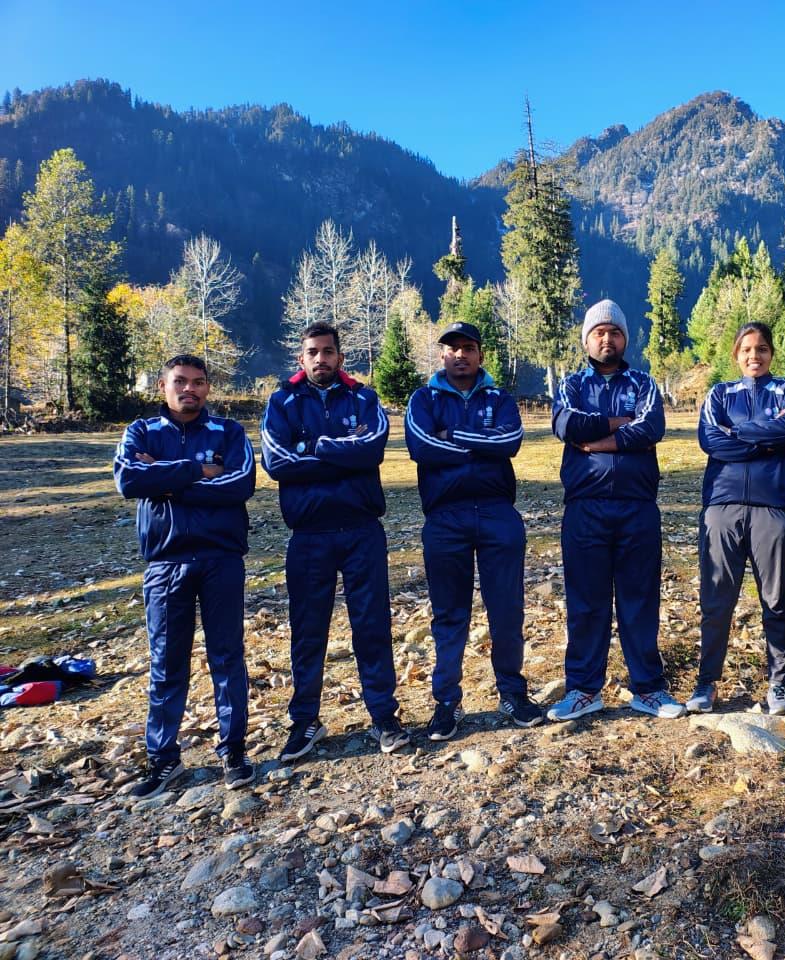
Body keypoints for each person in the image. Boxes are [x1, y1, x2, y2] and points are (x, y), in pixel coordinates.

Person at [260, 322, 407, 760]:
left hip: (362, 530)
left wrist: (312, 448)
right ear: (301, 358)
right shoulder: (282, 402)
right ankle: (305, 721)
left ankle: (383, 716)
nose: (320, 359)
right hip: (309, 535)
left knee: (372, 626)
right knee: (308, 631)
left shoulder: (364, 398)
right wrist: (341, 451)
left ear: (340, 357)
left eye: (328, 351)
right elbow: (276, 461)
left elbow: (372, 449)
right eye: (313, 352)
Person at [113, 355, 256, 798]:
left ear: (208, 388)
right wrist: (198, 470)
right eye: (180, 381)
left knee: (227, 656)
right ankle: (163, 758)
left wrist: (163, 476)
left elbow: (240, 484)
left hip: (220, 558)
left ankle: (234, 751)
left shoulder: (229, 432)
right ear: (163, 386)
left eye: (198, 382)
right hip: (165, 563)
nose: (189, 389)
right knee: (166, 661)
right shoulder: (141, 432)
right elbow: (128, 479)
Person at [545, 299, 683, 722]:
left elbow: (652, 427)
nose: (607, 339)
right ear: (587, 340)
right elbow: (566, 426)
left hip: (637, 507)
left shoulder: (643, 383)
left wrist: (600, 440)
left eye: (615, 332)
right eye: (599, 332)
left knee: (639, 600)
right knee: (586, 602)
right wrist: (620, 423)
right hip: (584, 507)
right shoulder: (570, 385)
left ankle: (648, 689)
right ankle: (584, 690)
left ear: (625, 339)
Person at [404, 321, 541, 740]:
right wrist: (481, 443)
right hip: (445, 517)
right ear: (442, 355)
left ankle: (512, 692)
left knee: (507, 609)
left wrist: (452, 436)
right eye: (452, 348)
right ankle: (447, 702)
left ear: (480, 354)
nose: (460, 354)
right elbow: (421, 446)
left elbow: (510, 441)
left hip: (498, 513)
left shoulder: (500, 398)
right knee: (449, 614)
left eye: (468, 347)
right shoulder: (423, 399)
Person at [688, 321, 785, 715]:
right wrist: (764, 441)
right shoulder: (719, 394)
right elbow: (710, 439)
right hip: (722, 507)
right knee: (716, 600)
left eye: (762, 349)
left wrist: (737, 433)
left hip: (775, 508)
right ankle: (706, 682)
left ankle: (779, 685)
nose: (754, 356)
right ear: (736, 355)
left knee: (776, 600)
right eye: (747, 350)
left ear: (771, 353)